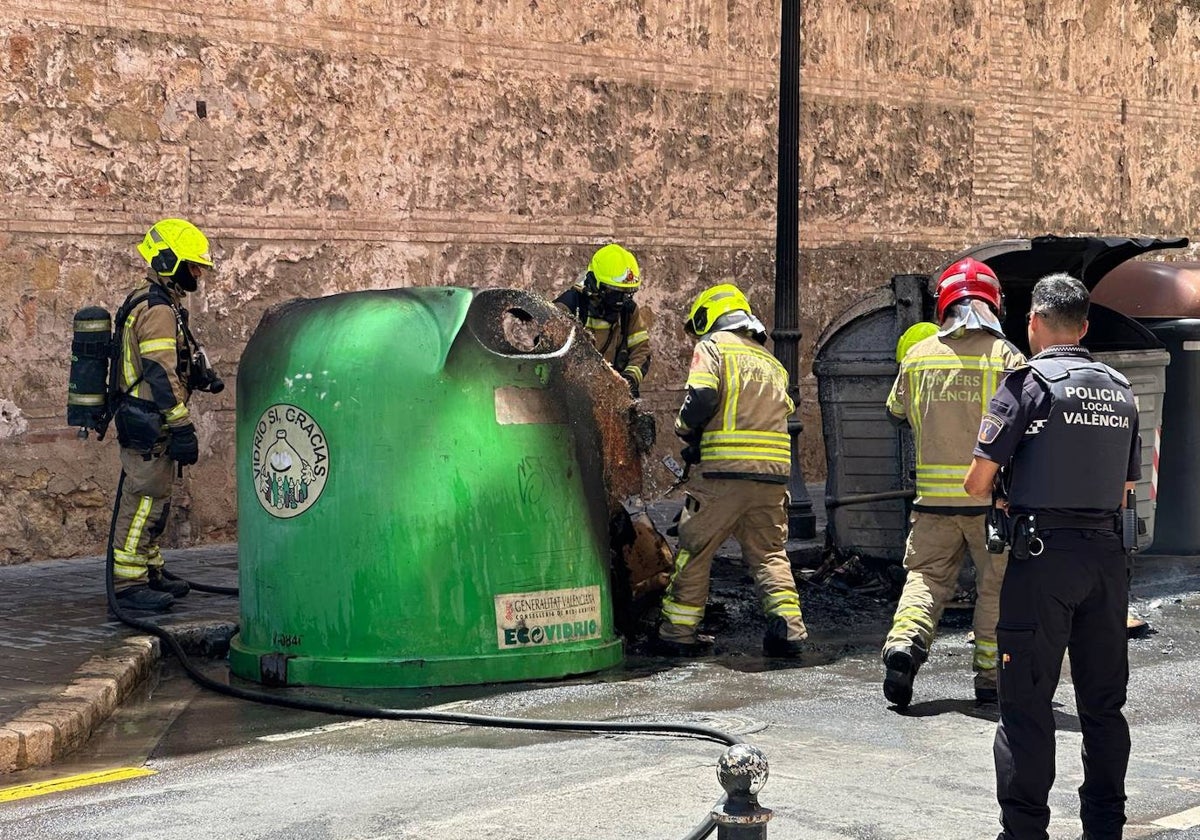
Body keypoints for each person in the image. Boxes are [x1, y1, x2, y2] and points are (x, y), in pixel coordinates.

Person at [964, 273, 1140, 840]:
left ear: (1034, 322)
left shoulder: (1027, 384)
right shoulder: (1121, 388)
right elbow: (1122, 492)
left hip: (1042, 560)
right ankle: (1105, 828)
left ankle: (1023, 833)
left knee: (1025, 706)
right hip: (1108, 561)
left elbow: (976, 482)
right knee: (1104, 708)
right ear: (1085, 327)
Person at [882, 258, 1025, 708]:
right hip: (992, 502)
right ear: (993, 304)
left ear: (944, 304)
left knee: (925, 578)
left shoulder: (918, 357)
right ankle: (989, 677)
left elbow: (896, 413)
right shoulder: (1008, 358)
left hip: (932, 503)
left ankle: (905, 645)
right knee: (995, 588)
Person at [654, 283, 806, 658]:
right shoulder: (772, 363)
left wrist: (686, 431)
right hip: (771, 478)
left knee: (696, 548)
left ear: (710, 317)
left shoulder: (713, 347)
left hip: (723, 475)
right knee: (770, 554)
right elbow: (784, 412)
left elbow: (702, 396)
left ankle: (677, 632)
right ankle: (789, 630)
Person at [109, 218, 218, 613]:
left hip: (150, 418)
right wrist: (182, 423)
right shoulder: (157, 308)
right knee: (142, 500)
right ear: (170, 261)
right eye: (192, 266)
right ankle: (128, 582)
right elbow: (158, 371)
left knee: (157, 497)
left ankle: (151, 568)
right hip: (149, 418)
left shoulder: (160, 302)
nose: (198, 275)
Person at [554, 243, 652, 396]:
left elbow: (642, 351)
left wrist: (628, 381)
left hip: (613, 395)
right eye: (615, 293)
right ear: (594, 283)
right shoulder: (569, 306)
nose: (620, 301)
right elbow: (549, 357)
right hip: (573, 396)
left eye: (627, 293)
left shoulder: (628, 311)